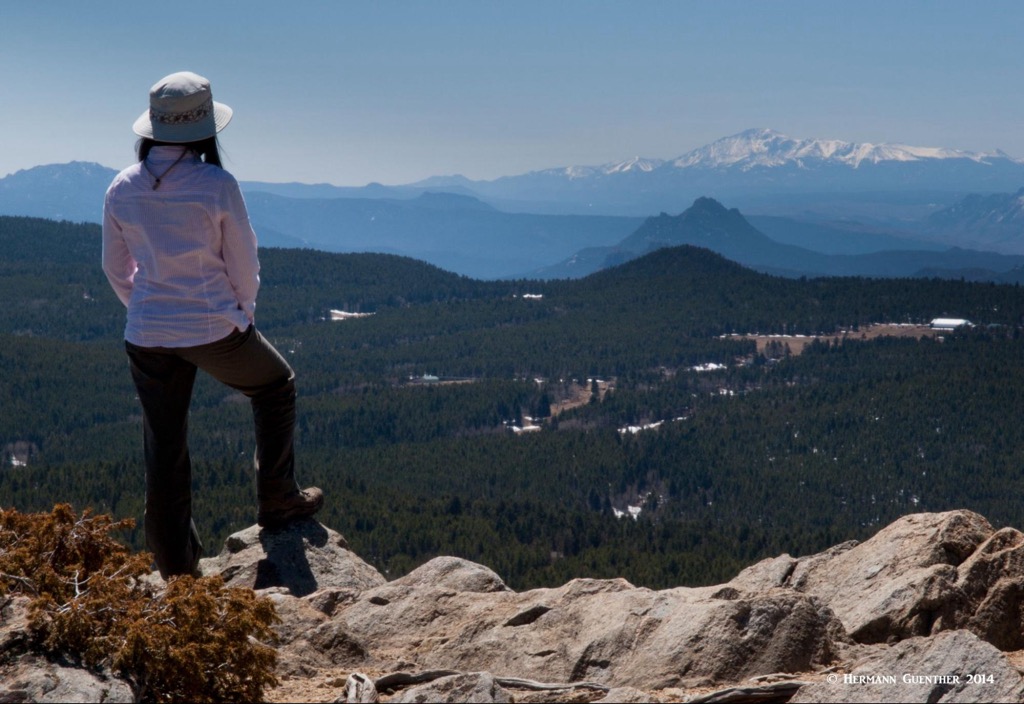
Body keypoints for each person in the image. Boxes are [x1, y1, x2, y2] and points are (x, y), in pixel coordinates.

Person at [102, 71, 323, 579]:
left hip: (146, 335)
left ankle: (178, 573)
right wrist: (242, 312)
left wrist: (145, 308)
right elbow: (243, 261)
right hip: (214, 326)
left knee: (164, 447)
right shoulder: (217, 185)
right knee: (274, 386)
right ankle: (277, 500)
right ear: (205, 129)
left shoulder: (122, 187)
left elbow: (117, 269)